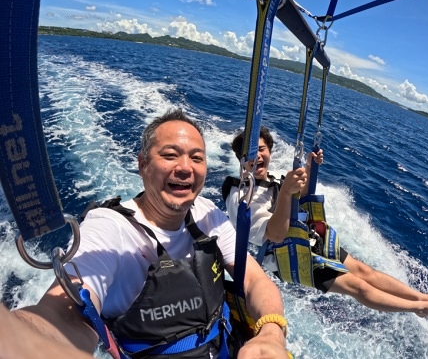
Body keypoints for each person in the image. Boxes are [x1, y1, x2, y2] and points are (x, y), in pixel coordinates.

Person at [7, 110, 289, 359]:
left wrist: (271, 333)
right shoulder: (109, 229)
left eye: (196, 158)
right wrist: (22, 337)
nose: (185, 167)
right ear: (142, 164)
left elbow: (254, 279)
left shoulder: (207, 213)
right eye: (170, 155)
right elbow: (63, 318)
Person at [224, 126, 428, 318]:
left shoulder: (275, 178)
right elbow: (274, 235)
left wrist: (309, 166)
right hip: (288, 258)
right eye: (249, 153)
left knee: (365, 271)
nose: (256, 157)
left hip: (307, 239)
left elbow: (301, 198)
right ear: (240, 159)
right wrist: (286, 192)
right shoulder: (240, 196)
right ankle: (419, 308)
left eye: (261, 149)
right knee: (358, 286)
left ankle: (421, 297)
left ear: (269, 151)